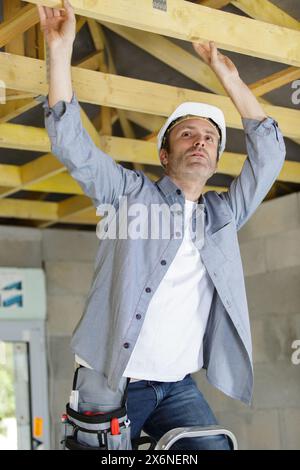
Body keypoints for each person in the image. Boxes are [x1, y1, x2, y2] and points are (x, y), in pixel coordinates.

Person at [37, 0, 286, 450]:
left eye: (210, 137)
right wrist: (59, 50)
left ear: (214, 160)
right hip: (113, 380)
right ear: (165, 154)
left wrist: (228, 76)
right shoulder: (129, 196)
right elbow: (71, 143)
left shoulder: (222, 216)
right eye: (188, 133)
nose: (202, 142)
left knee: (214, 448)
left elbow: (269, 154)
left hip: (175, 384)